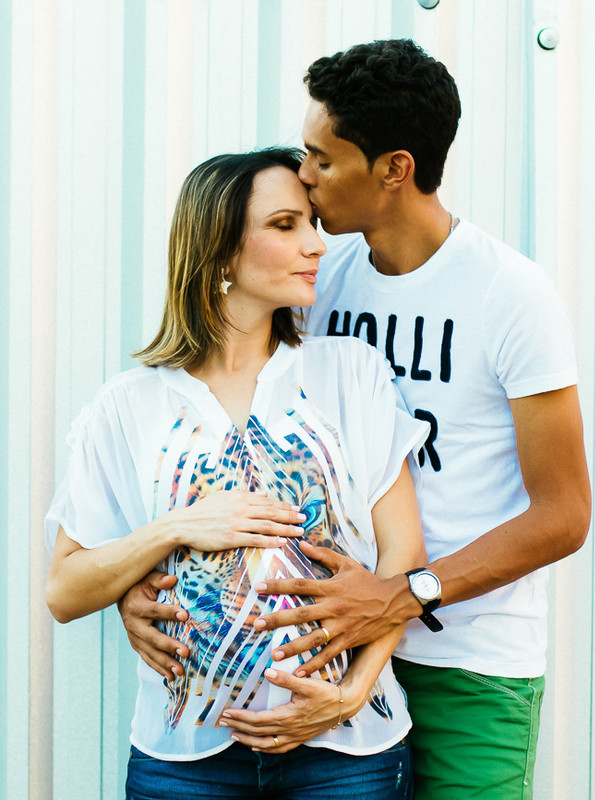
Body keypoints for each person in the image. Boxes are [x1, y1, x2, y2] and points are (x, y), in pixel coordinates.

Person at [119, 41, 592, 800]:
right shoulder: (318, 279)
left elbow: (565, 514)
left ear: (394, 169)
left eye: (322, 160)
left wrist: (406, 594)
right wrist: (136, 592)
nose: (304, 176)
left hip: (468, 661)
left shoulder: (512, 296)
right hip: (323, 650)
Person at [44, 146, 429, 800]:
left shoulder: (348, 374)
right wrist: (174, 529)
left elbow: (405, 553)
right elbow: (65, 590)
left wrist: (350, 691)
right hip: (185, 762)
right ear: (221, 252)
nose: (315, 244)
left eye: (311, 222)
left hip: (348, 753)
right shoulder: (128, 407)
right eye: (285, 226)